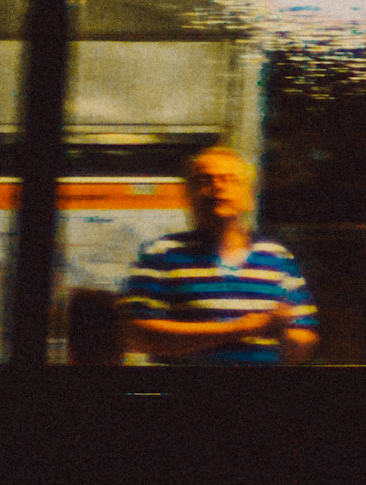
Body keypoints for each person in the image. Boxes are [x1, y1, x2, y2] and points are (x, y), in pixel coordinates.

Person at [120, 146, 318, 366]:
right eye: (206, 180)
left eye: (230, 179)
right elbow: (135, 333)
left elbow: (304, 339)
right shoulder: (162, 254)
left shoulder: (277, 257)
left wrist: (285, 332)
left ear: (249, 197)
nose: (218, 186)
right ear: (190, 196)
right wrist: (241, 329)